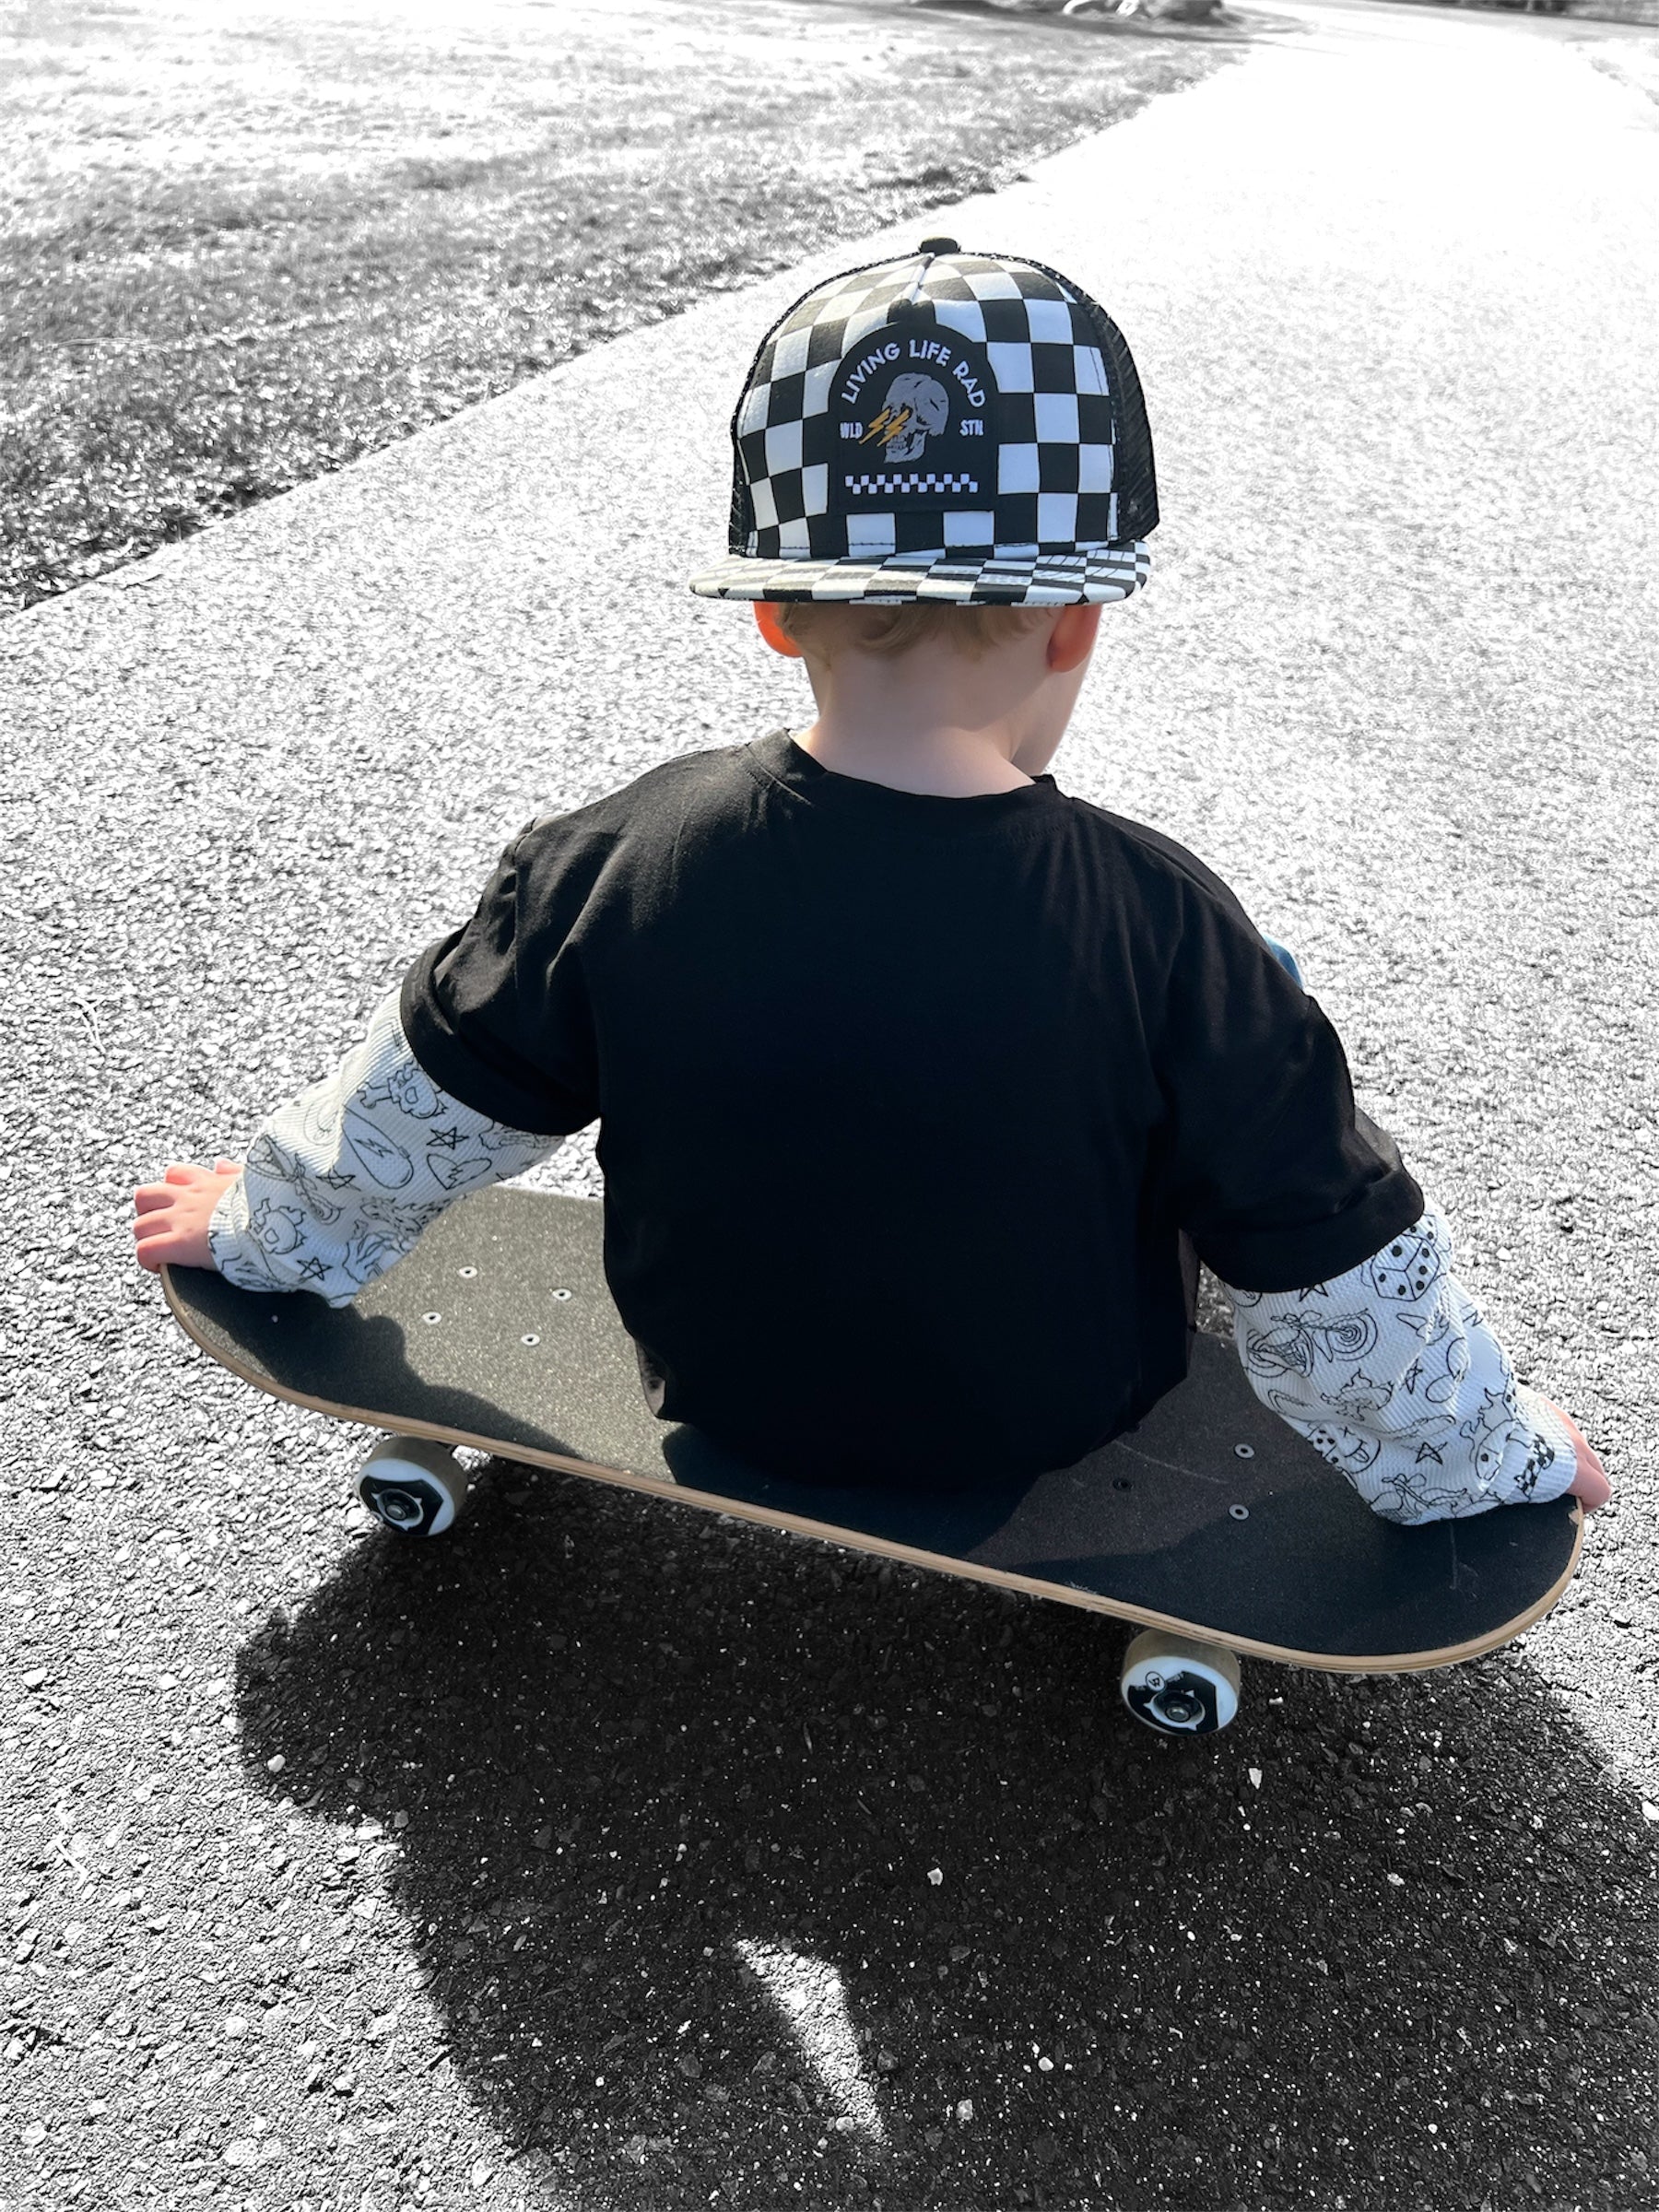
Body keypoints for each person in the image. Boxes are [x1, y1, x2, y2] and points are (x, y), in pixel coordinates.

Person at [133, 240, 1608, 1525]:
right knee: (1247, 1059)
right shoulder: (1169, 929)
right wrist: (1493, 1458)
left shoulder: (610, 860)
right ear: (1079, 621)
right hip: (1054, 1413)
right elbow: (1332, 1256)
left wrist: (268, 1230)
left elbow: (429, 1099)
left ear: (778, 611)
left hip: (717, 1383)